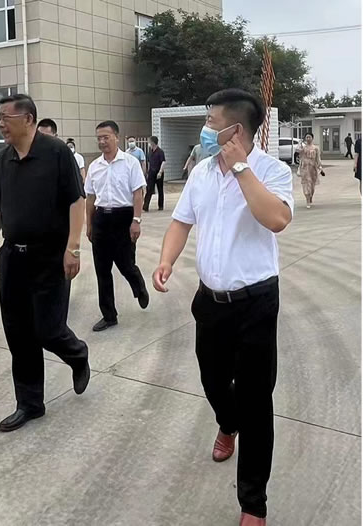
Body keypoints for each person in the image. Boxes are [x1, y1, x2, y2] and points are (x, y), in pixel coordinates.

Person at [152, 89, 293, 526]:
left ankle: (253, 504)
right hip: (209, 302)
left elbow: (276, 219)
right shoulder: (201, 172)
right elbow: (181, 221)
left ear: (236, 130)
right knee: (213, 380)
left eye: (211, 122)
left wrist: (242, 169)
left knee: (256, 402)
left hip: (255, 304)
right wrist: (166, 259)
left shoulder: (272, 171)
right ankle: (226, 422)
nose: (205, 129)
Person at [0, 94, 90, 432]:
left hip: (50, 256)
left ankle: (77, 354)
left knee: (48, 329)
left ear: (28, 119)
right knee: (18, 333)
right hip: (13, 257)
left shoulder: (56, 152)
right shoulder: (2, 160)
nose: (1, 124)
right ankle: (30, 403)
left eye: (6, 118)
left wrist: (73, 248)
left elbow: (76, 201)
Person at [85, 120, 149, 332]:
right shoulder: (95, 166)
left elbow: (138, 193)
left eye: (106, 137)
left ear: (117, 137)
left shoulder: (130, 163)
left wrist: (136, 221)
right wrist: (89, 224)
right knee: (102, 270)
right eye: (99, 138)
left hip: (124, 218)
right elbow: (90, 197)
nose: (102, 142)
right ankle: (109, 315)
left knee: (126, 264)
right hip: (101, 219)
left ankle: (138, 285)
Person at [298, 133, 324, 209]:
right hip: (305, 168)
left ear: (312, 138)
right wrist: (300, 144)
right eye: (307, 137)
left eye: (309, 137)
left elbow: (318, 158)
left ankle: (310, 196)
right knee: (306, 184)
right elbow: (299, 155)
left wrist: (320, 167)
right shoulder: (303, 148)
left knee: (312, 185)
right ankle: (307, 200)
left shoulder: (316, 148)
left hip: (313, 168)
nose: (308, 138)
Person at [143, 136, 165, 211]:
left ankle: (161, 205)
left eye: (149, 141)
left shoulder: (160, 151)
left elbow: (163, 162)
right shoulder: (150, 152)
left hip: (158, 172)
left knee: (160, 189)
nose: (149, 143)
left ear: (153, 142)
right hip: (151, 172)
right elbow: (149, 162)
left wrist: (160, 172)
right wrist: (148, 171)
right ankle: (145, 206)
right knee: (149, 189)